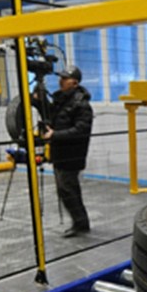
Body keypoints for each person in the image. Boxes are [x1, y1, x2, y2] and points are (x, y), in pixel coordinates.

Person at [42, 65, 93, 237]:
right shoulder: (61, 101)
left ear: (75, 83)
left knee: (68, 190)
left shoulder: (82, 105)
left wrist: (55, 134)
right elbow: (52, 118)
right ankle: (81, 222)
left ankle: (80, 224)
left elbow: (81, 130)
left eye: (65, 78)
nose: (61, 81)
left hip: (72, 156)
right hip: (59, 154)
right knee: (66, 190)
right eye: (61, 77)